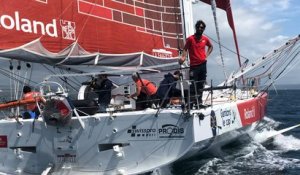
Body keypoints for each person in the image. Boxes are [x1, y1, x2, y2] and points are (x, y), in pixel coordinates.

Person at [179, 20, 213, 105]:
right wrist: (183, 57)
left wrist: (206, 55)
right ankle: (191, 102)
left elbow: (211, 46)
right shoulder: (190, 39)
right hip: (194, 66)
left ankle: (199, 102)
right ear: (196, 27)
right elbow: (185, 49)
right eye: (198, 27)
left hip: (203, 65)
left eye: (201, 27)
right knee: (193, 85)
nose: (200, 28)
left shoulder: (205, 39)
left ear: (203, 29)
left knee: (201, 84)